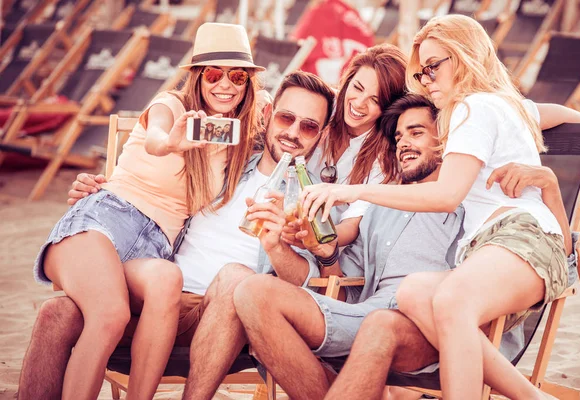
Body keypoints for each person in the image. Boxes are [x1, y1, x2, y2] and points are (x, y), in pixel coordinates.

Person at [300, 15, 580, 400]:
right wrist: (534, 165)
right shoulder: (500, 107)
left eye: (433, 67)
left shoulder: (473, 108)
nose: (427, 81)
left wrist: (354, 192)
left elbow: (445, 196)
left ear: (465, 56)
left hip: (520, 237)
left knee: (452, 300)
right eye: (421, 74)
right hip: (492, 246)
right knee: (415, 292)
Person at [234, 93, 579, 400]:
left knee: (381, 325)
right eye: (398, 136)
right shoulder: (380, 204)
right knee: (253, 291)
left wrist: (548, 184)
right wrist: (321, 252)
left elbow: (555, 258)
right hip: (361, 314)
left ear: (447, 141)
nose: (403, 143)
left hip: (428, 332)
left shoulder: (473, 202)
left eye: (416, 133)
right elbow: (344, 281)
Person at [18, 71, 336, 400]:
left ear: (322, 133)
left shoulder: (310, 198)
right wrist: (99, 187)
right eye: (286, 118)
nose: (293, 133)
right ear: (269, 115)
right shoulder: (224, 161)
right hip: (151, 293)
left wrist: (276, 247)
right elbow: (149, 185)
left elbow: (309, 281)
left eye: (309, 126)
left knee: (233, 277)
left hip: (215, 313)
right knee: (56, 314)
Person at [27, 22, 262, 400]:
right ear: (198, 78)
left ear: (249, 83)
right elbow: (155, 140)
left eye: (237, 76)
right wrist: (171, 143)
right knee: (110, 314)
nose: (225, 85)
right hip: (106, 221)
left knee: (167, 278)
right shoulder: (171, 107)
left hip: (155, 247)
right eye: (214, 74)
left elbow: (303, 110)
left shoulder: (236, 135)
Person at [301, 44, 408, 246]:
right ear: (348, 80)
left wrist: (311, 239)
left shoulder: (385, 158)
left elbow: (351, 226)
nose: (359, 103)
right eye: (357, 88)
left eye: (375, 100)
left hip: (328, 248)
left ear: (389, 108)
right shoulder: (321, 108)